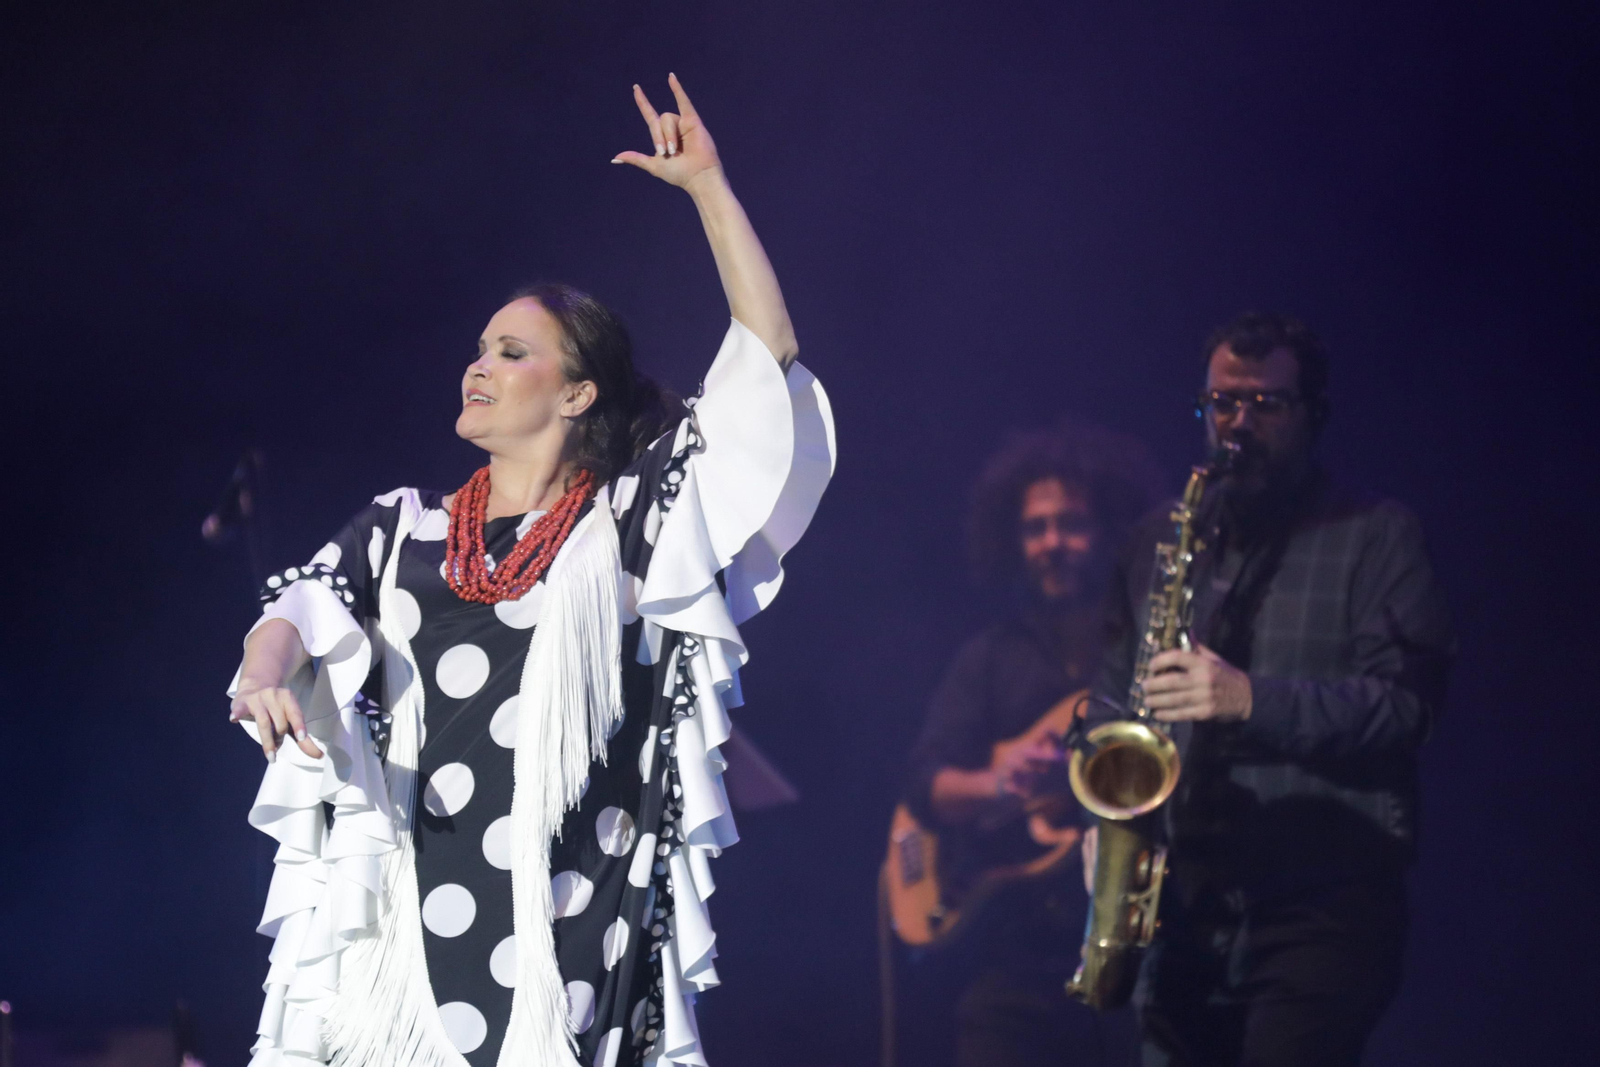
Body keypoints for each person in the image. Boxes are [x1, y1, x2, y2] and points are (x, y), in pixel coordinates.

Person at [227, 76, 834, 1067]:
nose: (479, 366)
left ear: (576, 390)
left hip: (570, 922)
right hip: (408, 930)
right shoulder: (406, 529)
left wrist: (710, 191)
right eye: (479, 350)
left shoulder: (631, 519)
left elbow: (763, 375)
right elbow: (302, 600)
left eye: (511, 352)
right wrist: (262, 669)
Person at [1084, 313, 1455, 1066]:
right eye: (1223, 404)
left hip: (1320, 904)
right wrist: (1102, 821)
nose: (1239, 426)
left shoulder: (1378, 533)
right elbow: (1106, 701)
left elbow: (1406, 706)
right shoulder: (1158, 537)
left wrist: (1249, 699)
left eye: (1266, 405)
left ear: (1312, 415)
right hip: (1183, 908)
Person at [902, 426, 1162, 1066]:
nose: (1051, 543)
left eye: (1070, 524)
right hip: (1011, 963)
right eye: (1034, 528)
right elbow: (924, 787)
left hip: (1133, 963)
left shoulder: (1143, 655)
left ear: (1108, 530)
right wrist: (1002, 780)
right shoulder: (990, 657)